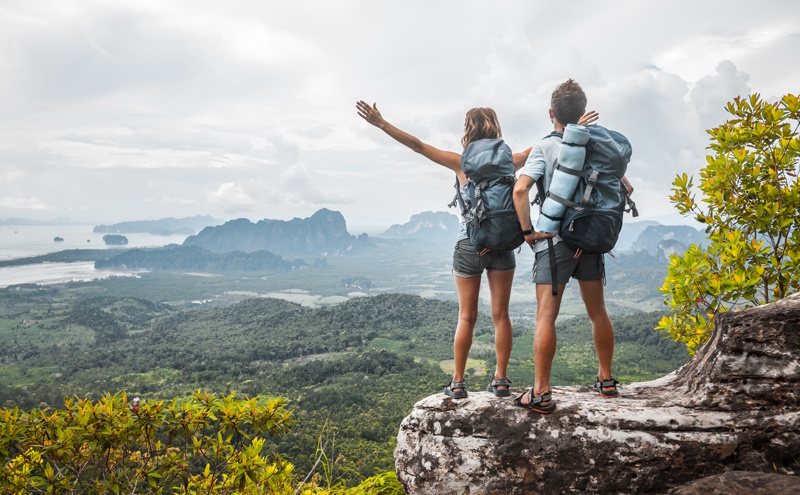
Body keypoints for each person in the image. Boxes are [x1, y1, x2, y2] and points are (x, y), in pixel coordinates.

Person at [356, 100, 598, 400]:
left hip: (470, 245)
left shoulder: (462, 163)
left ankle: (457, 383)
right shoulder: (513, 160)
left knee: (466, 316)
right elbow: (552, 147)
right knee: (502, 316)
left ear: (468, 130)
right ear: (496, 128)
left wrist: (382, 124)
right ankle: (500, 380)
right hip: (504, 245)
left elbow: (418, 146)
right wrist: (576, 128)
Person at [512, 79, 633, 414]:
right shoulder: (597, 146)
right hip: (592, 239)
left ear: (551, 113)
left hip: (556, 243)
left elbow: (520, 191)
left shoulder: (545, 147)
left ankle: (541, 393)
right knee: (598, 313)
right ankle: (607, 380)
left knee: (546, 316)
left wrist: (527, 232)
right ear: (584, 112)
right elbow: (629, 189)